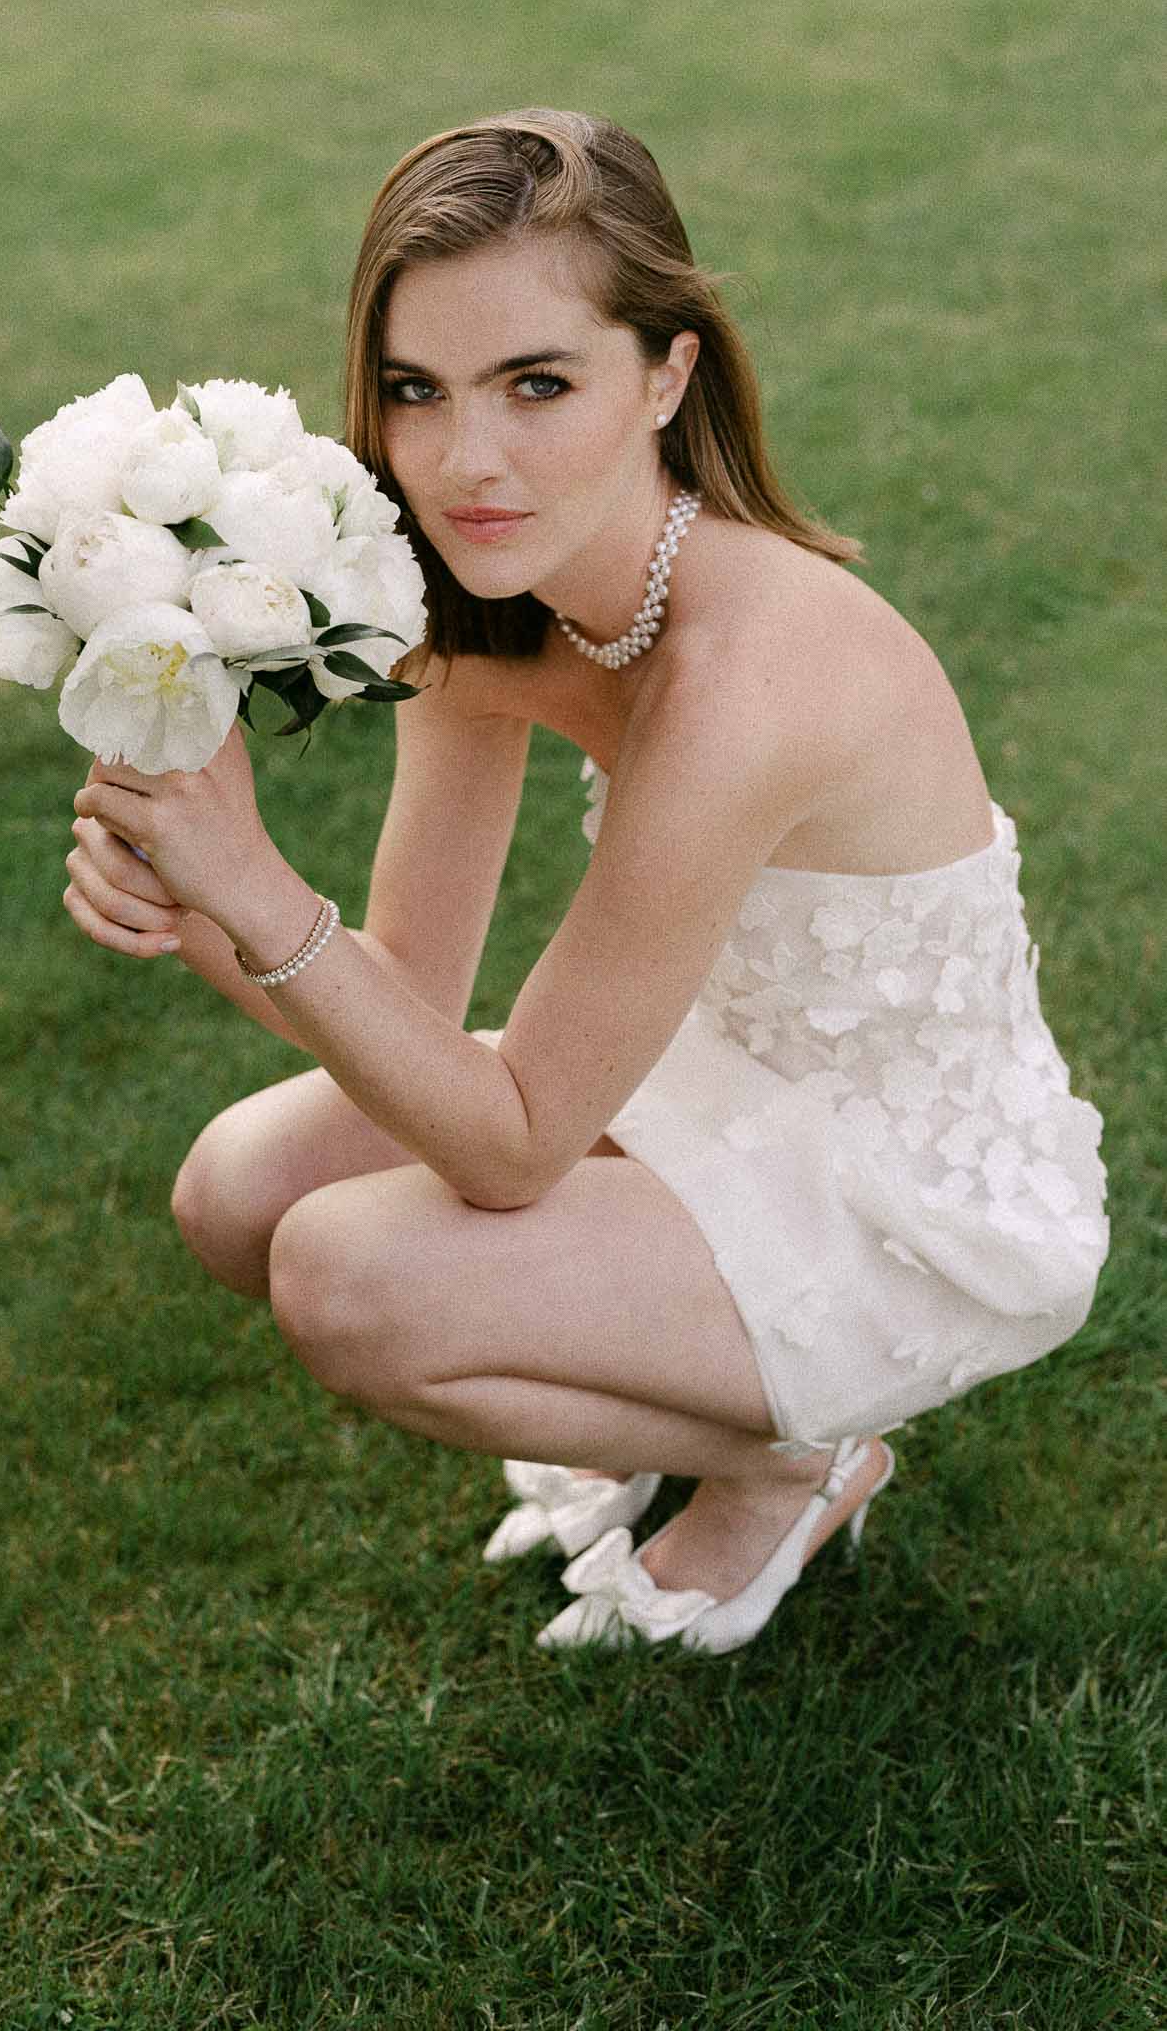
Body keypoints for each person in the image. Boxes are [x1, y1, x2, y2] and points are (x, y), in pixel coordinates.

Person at [63, 109, 1110, 1656]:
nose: (462, 460)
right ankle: (680, 1396)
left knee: (351, 1279)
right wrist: (200, 897)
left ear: (666, 376)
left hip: (903, 1195)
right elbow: (403, 1002)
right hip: (700, 1089)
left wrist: (262, 892)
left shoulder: (749, 677)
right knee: (238, 1192)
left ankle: (784, 1463)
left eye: (536, 384)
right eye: (416, 392)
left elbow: (508, 1148)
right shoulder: (500, 610)